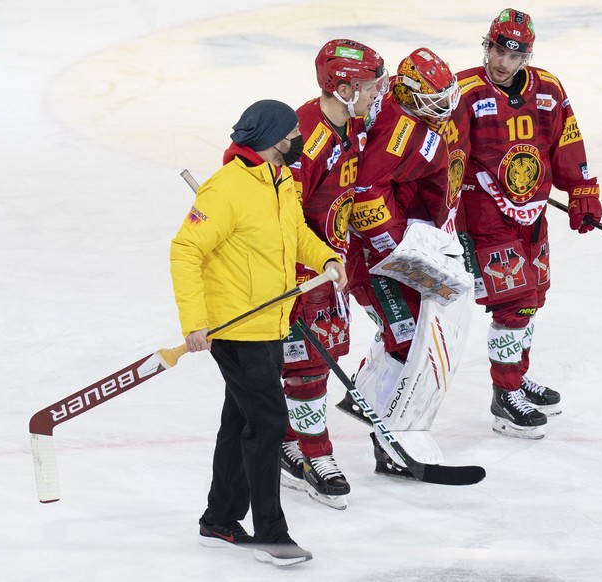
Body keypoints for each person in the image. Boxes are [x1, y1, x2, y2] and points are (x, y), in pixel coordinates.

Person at [170, 99, 348, 567]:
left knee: (241, 420)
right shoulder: (225, 190)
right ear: (273, 139)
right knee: (269, 424)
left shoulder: (279, 179)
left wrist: (326, 258)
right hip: (235, 329)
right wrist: (195, 323)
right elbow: (185, 251)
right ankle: (273, 533)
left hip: (272, 321)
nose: (299, 142)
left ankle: (220, 520)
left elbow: (295, 233)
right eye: (293, 134)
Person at [451, 8, 602, 439]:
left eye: (514, 56)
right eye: (498, 50)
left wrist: (582, 190)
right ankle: (505, 397)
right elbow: (445, 157)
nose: (503, 63)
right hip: (482, 216)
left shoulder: (549, 89)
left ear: (527, 56)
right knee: (513, 304)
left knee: (532, 298)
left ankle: (516, 375)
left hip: (532, 213)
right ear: (488, 45)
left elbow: (566, 139)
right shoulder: (462, 90)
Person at [339, 47, 469, 478]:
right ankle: (389, 432)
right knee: (409, 335)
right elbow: (366, 197)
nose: (443, 108)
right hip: (376, 257)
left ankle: (375, 407)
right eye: (432, 99)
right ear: (409, 93)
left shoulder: (416, 114)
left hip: (410, 242)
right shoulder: (398, 130)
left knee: (412, 336)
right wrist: (399, 252)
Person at [270, 39, 388, 510]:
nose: (378, 90)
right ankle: (311, 452)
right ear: (341, 88)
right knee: (308, 365)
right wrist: (297, 276)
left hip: (327, 266)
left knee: (326, 351)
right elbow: (282, 221)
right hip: (301, 274)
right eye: (368, 84)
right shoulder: (306, 140)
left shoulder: (350, 123)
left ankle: (286, 434)